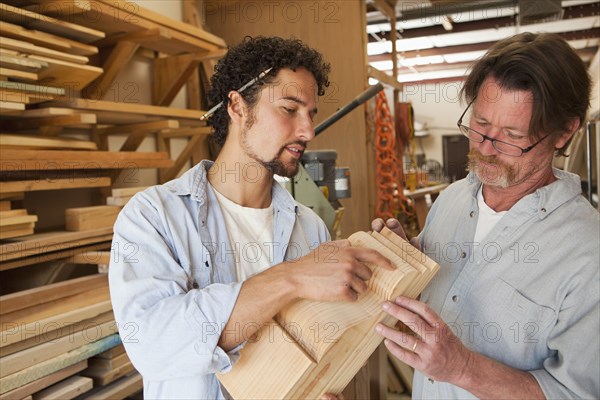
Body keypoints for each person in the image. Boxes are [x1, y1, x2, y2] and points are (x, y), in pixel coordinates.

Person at [108, 36, 393, 400]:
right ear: (237, 106)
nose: (307, 131)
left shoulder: (310, 227)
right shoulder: (154, 216)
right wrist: (292, 277)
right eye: (290, 110)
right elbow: (152, 344)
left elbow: (324, 343)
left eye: (311, 115)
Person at [372, 32, 599, 399]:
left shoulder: (588, 252)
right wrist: (406, 259)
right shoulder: (451, 200)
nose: (486, 149)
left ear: (564, 131)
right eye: (479, 124)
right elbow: (441, 293)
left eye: (510, 135)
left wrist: (462, 368)